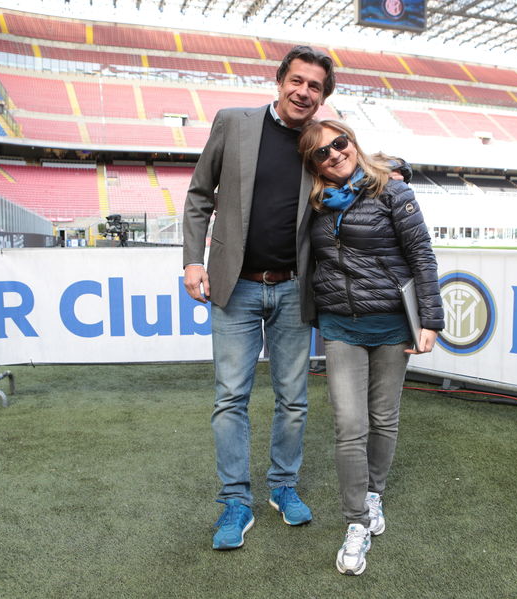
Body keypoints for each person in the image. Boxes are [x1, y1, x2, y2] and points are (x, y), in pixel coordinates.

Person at [181, 45, 336, 551]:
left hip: (294, 288)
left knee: (294, 399)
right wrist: (192, 260)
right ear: (280, 80)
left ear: (323, 97)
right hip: (236, 287)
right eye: (297, 80)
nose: (303, 92)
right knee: (231, 398)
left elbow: (355, 172)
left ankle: (283, 487)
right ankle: (234, 500)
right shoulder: (233, 122)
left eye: (315, 87)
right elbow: (199, 196)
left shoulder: (320, 142)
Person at [297, 120, 444, 576]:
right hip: (340, 325)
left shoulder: (392, 190)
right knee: (349, 425)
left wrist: (431, 321)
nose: (334, 154)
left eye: (339, 143)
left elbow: (421, 255)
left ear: (352, 142)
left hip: (392, 325)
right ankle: (356, 521)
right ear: (314, 165)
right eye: (321, 153)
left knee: (383, 418)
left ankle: (373, 493)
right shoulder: (313, 202)